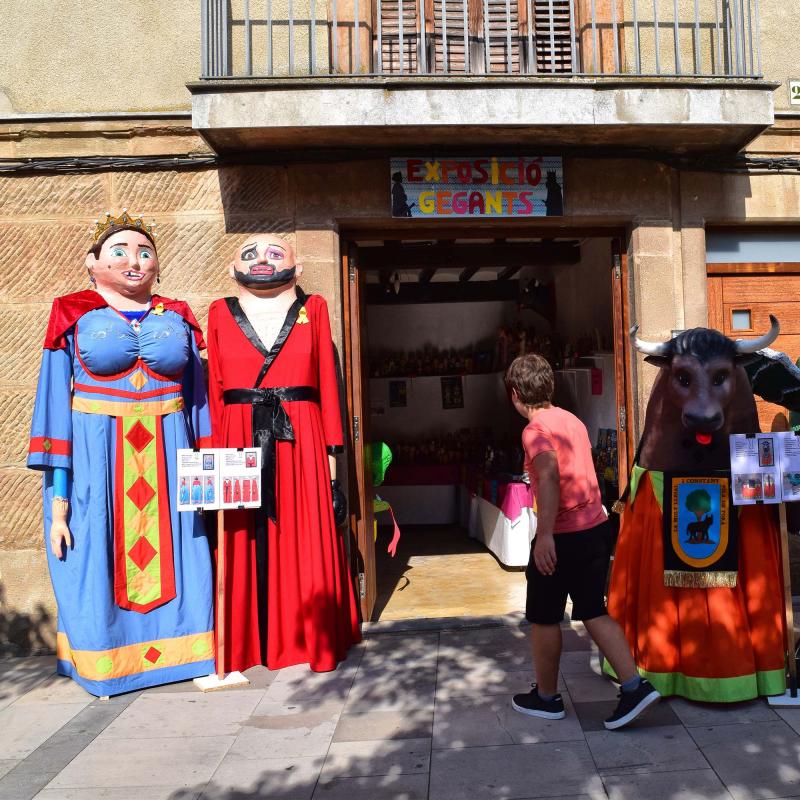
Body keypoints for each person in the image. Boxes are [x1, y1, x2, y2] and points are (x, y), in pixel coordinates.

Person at [28, 210, 215, 696]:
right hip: (96, 455)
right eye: (120, 251)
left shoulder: (177, 316)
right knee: (96, 546)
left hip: (171, 448)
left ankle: (186, 650)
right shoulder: (72, 315)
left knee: (182, 545)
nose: (135, 261)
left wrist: (209, 466)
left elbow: (198, 399)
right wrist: (59, 498)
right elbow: (54, 402)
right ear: (92, 263)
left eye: (145, 252)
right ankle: (107, 658)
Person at [206, 234, 361, 673]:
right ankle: (246, 644)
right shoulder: (219, 312)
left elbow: (328, 388)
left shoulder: (315, 310)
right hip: (238, 434)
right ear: (231, 266)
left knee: (305, 534)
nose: (261, 260)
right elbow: (216, 388)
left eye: (275, 253)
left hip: (302, 440)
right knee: (243, 537)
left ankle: (311, 639)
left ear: (298, 266)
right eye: (249, 253)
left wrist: (332, 471)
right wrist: (216, 458)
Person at [505, 354, 660, 730]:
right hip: (594, 530)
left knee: (544, 617)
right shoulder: (571, 419)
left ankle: (546, 698)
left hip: (563, 537)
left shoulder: (535, 430)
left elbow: (549, 477)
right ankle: (634, 685)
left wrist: (544, 538)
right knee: (593, 610)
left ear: (514, 394)